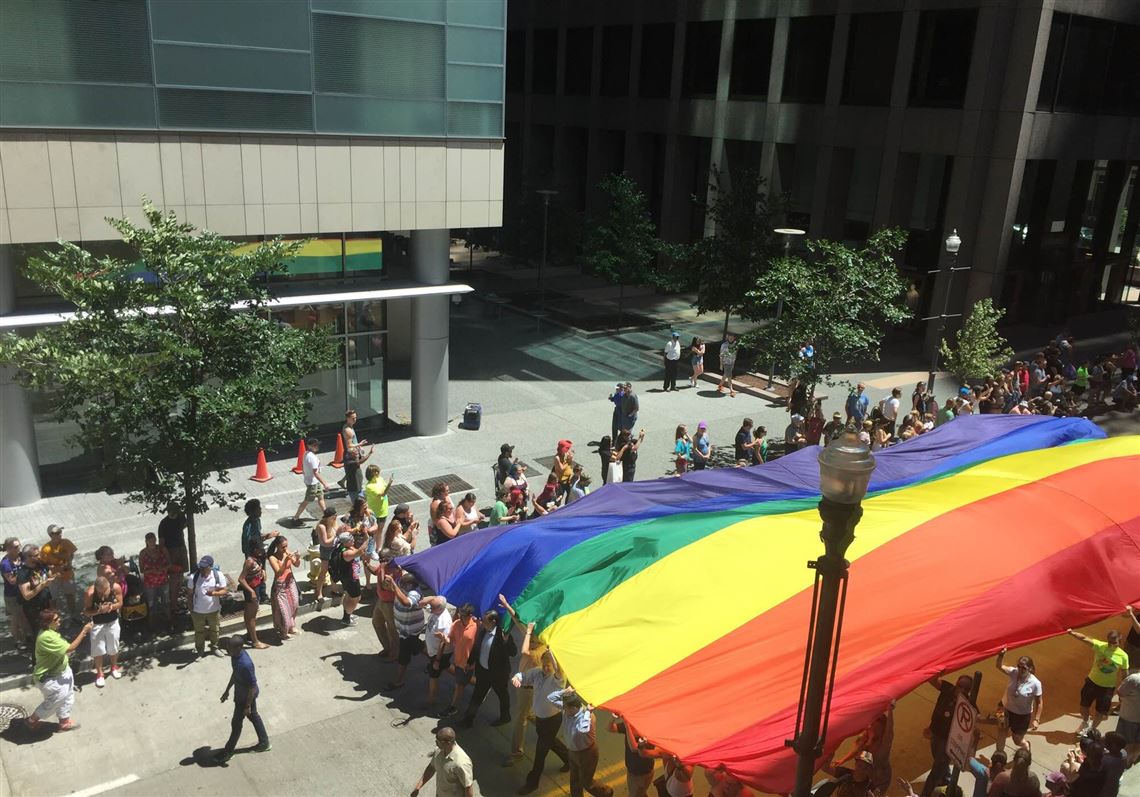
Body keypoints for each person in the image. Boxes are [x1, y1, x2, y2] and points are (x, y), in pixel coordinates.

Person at [24, 609, 92, 733]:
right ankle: (31, 721)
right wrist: (84, 631)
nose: (59, 619)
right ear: (47, 623)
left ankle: (64, 722)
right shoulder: (46, 637)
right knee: (54, 701)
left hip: (63, 671)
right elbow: (70, 648)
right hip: (50, 678)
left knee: (68, 696)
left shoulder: (51, 631)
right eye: (56, 619)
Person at [514, 650, 570, 794]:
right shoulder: (537, 672)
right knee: (550, 742)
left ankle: (532, 783)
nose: (546, 668)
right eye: (544, 665)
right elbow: (524, 676)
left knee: (540, 753)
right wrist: (517, 677)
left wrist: (552, 650)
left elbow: (558, 670)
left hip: (552, 720)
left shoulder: (559, 679)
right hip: (541, 719)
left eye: (549, 666)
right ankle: (568, 758)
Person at [213, 636, 271, 763]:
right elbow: (235, 673)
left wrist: (247, 706)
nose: (228, 651)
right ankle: (264, 743)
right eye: (228, 647)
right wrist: (227, 690)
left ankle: (228, 751)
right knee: (253, 716)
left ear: (239, 647)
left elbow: (252, 686)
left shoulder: (245, 664)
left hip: (245, 698)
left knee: (236, 724)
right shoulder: (235, 656)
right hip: (239, 694)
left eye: (230, 648)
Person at [549, 688, 613, 797]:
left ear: (574, 708)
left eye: (565, 708)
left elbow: (582, 729)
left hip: (586, 753)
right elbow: (550, 698)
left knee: (586, 782)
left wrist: (588, 712)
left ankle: (606, 793)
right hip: (573, 751)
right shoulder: (568, 709)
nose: (563, 709)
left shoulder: (588, 717)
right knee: (574, 780)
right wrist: (565, 691)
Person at [1067, 628, 1130, 735]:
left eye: (1114, 643)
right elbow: (1085, 639)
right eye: (1110, 642)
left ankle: (1091, 729)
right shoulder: (1100, 646)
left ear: (1120, 641)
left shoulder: (1124, 656)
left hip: (1107, 688)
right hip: (1092, 682)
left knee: (1101, 712)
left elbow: (1125, 673)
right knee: (1083, 706)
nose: (1111, 645)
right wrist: (1071, 633)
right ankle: (1085, 722)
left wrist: (1124, 688)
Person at [460, 609, 516, 728]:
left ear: (494, 622)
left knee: (503, 696)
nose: (482, 623)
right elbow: (476, 648)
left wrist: (507, 642)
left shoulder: (503, 635)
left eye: (485, 621)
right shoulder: (483, 631)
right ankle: (468, 720)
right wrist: (469, 662)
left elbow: (513, 652)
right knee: (476, 696)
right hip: (483, 673)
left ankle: (505, 716)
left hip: (498, 675)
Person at [922, 674, 974, 796]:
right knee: (937, 759)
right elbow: (932, 680)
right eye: (960, 686)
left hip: (948, 742)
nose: (962, 690)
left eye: (966, 689)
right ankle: (946, 778)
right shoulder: (947, 689)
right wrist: (939, 671)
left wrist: (992, 721)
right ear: (956, 684)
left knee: (935, 771)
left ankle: (925, 794)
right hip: (935, 734)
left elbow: (976, 717)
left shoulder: (967, 704)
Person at [831, 702, 895, 795]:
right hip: (862, 776)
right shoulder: (866, 736)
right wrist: (843, 760)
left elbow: (889, 732)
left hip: (878, 780)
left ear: (882, 728)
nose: (871, 725)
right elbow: (856, 748)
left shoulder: (883, 745)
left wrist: (890, 711)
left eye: (875, 723)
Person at [995, 647, 1043, 753]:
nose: (1021, 669)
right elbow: (999, 666)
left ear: (1030, 668)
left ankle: (1026, 748)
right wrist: (1001, 655)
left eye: (1024, 668)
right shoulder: (1013, 672)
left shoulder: (1036, 683)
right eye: (1019, 666)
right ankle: (998, 758)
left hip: (1021, 716)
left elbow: (1039, 702)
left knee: (1017, 740)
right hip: (1004, 708)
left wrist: (1036, 719)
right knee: (1001, 732)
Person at [386, 571, 426, 690]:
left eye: (403, 584)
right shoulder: (402, 583)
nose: (400, 585)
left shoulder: (415, 593)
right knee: (415, 647)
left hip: (409, 631)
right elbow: (388, 584)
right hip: (403, 628)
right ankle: (431, 655)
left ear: (410, 585)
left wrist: (393, 583)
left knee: (404, 656)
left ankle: (398, 681)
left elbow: (406, 602)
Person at [409, 727, 475, 797]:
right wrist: (417, 787)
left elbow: (468, 788)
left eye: (438, 740)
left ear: (447, 743)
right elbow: (431, 768)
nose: (435, 742)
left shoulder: (462, 763)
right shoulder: (438, 751)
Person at [83, 576, 123, 687]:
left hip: (113, 622)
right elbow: (86, 611)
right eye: (101, 592)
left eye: (106, 590)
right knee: (98, 650)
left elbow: (120, 603)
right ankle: (100, 674)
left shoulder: (115, 587)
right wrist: (99, 611)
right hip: (97, 624)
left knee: (114, 647)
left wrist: (111, 606)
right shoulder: (90, 593)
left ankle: (113, 667)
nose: (103, 594)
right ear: (96, 588)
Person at [609, 712, 660, 797]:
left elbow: (634, 748)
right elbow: (610, 728)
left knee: (634, 794)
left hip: (642, 772)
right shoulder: (630, 725)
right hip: (632, 769)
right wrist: (613, 717)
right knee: (639, 793)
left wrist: (628, 727)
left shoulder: (648, 731)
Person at [186, 555, 228, 657]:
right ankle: (200, 650)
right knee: (199, 632)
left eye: (204, 567)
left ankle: (214, 647)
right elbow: (190, 594)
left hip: (213, 610)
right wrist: (191, 609)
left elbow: (225, 590)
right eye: (201, 567)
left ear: (210, 566)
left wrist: (214, 594)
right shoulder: (193, 577)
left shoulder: (218, 575)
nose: (202, 569)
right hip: (198, 611)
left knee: (215, 630)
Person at [443, 603, 478, 718]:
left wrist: (472, 663)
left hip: (468, 665)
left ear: (471, 615)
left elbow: (478, 647)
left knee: (459, 685)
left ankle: (453, 707)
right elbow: (450, 639)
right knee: (460, 683)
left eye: (464, 616)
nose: (461, 617)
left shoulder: (477, 627)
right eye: (460, 615)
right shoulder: (456, 624)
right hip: (457, 660)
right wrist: (444, 638)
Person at [363, 549, 399, 660]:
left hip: (390, 603)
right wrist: (368, 565)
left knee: (392, 629)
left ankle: (395, 654)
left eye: (384, 559)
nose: (381, 561)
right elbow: (376, 571)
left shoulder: (395, 570)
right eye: (380, 559)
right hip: (381, 601)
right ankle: (387, 647)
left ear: (390, 558)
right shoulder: (382, 567)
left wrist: (383, 568)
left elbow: (384, 585)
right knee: (377, 623)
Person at [241, 499, 278, 602]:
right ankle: (257, 596)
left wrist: (267, 535)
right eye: (259, 509)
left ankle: (263, 595)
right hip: (253, 554)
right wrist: (269, 536)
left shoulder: (257, 520)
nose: (261, 510)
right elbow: (252, 541)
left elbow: (258, 535)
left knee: (263, 573)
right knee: (256, 575)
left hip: (259, 551)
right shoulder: (248, 526)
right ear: (253, 511)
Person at [266, 536, 301, 641]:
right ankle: (283, 631)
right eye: (283, 547)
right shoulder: (272, 557)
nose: (285, 549)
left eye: (286, 546)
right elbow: (278, 572)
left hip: (290, 583)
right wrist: (285, 561)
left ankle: (291, 626)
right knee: (283, 609)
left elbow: (297, 564)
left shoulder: (287, 552)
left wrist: (297, 558)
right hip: (281, 585)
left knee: (294, 605)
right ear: (277, 546)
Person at [40, 525, 78, 622]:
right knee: (53, 598)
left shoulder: (66, 542)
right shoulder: (46, 549)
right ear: (50, 535)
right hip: (54, 577)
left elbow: (72, 553)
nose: (59, 534)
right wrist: (53, 568)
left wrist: (69, 562)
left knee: (70, 595)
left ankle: (73, 615)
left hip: (67, 574)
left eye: (60, 532)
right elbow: (43, 564)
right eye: (56, 533)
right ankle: (54, 619)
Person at [16, 544, 55, 636]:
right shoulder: (23, 573)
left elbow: (49, 574)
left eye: (39, 554)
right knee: (40, 632)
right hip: (34, 608)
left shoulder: (40, 564)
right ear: (28, 557)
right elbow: (27, 596)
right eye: (36, 555)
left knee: (51, 628)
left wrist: (54, 575)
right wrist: (43, 585)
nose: (39, 556)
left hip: (46, 602)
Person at [423, 595, 454, 710]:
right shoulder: (437, 610)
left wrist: (437, 660)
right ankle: (468, 679)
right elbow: (423, 603)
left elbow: (443, 643)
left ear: (440, 608)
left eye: (433, 607)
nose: (430, 609)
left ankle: (431, 698)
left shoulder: (444, 622)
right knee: (446, 666)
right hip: (433, 651)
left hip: (439, 654)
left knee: (433, 674)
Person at [237, 543, 269, 649]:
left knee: (250, 615)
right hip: (252, 590)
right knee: (251, 617)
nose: (263, 551)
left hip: (257, 587)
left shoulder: (257, 558)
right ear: (255, 550)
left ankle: (250, 635)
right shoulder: (249, 562)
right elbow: (241, 579)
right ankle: (255, 642)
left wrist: (262, 572)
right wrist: (251, 591)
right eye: (261, 549)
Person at [138, 532, 172, 632]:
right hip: (150, 583)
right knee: (151, 604)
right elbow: (141, 570)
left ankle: (169, 623)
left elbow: (170, 563)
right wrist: (152, 570)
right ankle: (152, 626)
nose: (152, 543)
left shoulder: (162, 549)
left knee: (166, 602)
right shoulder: (143, 553)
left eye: (154, 541)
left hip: (163, 580)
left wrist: (163, 568)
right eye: (150, 541)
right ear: (146, 542)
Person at [158, 502, 189, 609]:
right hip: (170, 552)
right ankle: (172, 603)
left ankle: (175, 599)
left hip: (181, 549)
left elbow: (185, 524)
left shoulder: (181, 517)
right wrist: (166, 558)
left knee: (180, 576)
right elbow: (162, 543)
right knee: (174, 578)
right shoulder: (164, 524)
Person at [333, 530, 368, 626]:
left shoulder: (343, 547)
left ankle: (347, 614)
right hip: (350, 579)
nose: (353, 539)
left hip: (349, 577)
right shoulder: (346, 553)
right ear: (345, 542)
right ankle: (346, 619)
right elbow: (360, 551)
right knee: (355, 597)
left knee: (349, 596)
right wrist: (367, 539)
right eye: (350, 539)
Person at [291, 437, 330, 522]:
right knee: (306, 501)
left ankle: (326, 514)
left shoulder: (306, 453)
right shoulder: (311, 457)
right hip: (312, 483)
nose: (317, 447)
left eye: (317, 445)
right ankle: (295, 518)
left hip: (313, 481)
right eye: (315, 445)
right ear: (310, 446)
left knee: (321, 497)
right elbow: (315, 472)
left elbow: (303, 466)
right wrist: (325, 483)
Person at [3, 538, 32, 650]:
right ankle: (18, 640)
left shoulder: (21, 556)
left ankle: (28, 634)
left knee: (24, 615)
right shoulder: (6, 563)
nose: (18, 548)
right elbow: (12, 580)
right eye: (15, 547)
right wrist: (23, 571)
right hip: (12, 595)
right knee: (15, 618)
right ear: (8, 549)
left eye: (19, 546)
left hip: (23, 591)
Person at [340, 409, 373, 503]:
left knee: (354, 472)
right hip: (352, 455)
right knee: (355, 472)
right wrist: (359, 445)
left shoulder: (349, 426)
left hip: (354, 452)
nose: (355, 419)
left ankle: (343, 481)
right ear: (347, 418)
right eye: (353, 418)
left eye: (355, 417)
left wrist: (359, 446)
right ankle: (357, 493)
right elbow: (349, 445)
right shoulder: (348, 430)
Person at [312, 507, 341, 609]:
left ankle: (334, 589)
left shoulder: (334, 522)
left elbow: (338, 531)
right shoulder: (322, 526)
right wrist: (336, 535)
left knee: (334, 570)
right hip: (326, 550)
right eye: (334, 516)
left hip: (335, 549)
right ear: (329, 517)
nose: (335, 518)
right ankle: (318, 593)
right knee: (323, 572)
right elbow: (325, 542)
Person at [363, 463, 393, 540]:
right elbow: (383, 494)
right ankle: (371, 547)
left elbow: (384, 487)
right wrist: (390, 484)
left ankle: (378, 548)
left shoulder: (380, 479)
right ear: (369, 474)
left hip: (383, 510)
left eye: (377, 471)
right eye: (374, 472)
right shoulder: (369, 486)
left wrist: (387, 485)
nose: (377, 473)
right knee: (373, 531)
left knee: (380, 531)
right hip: (374, 512)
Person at [1117, 668, 1140, 764]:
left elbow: (1120, 692)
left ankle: (1124, 763)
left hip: (1129, 717)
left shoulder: (1134, 679)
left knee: (1125, 742)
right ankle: (1133, 759)